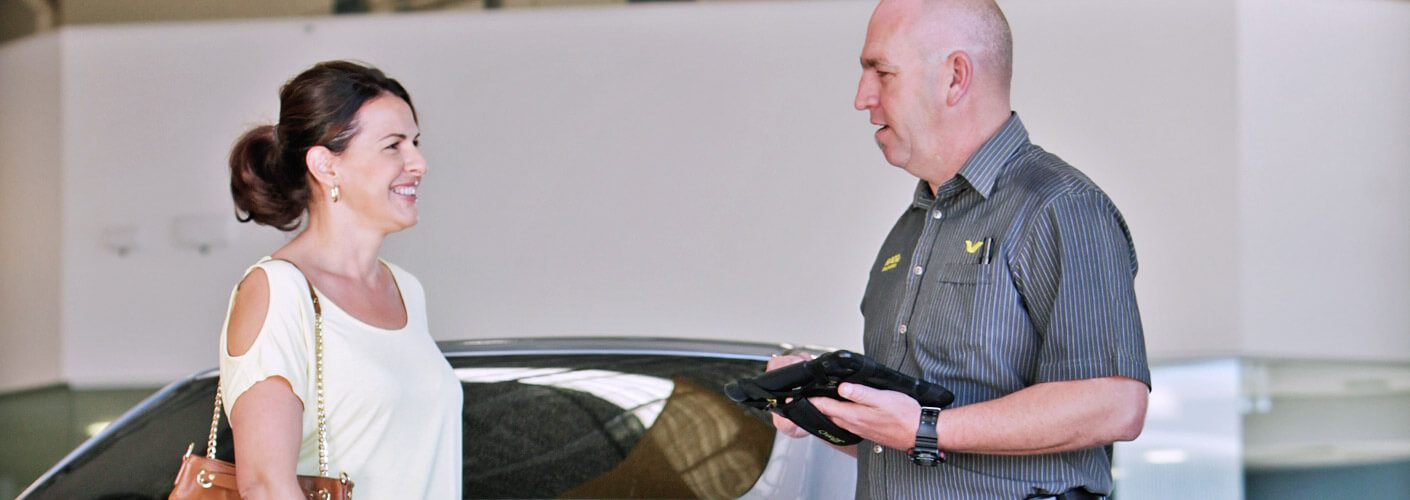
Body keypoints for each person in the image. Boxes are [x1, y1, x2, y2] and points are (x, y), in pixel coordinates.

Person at [767, 0, 1150, 498]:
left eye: (881, 72)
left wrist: (926, 428)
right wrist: (823, 405)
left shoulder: (1062, 207)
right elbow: (900, 443)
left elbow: (1116, 405)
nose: (863, 98)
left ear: (955, 77)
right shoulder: (910, 229)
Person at [221, 60, 461, 499]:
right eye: (393, 146)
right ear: (326, 166)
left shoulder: (406, 290)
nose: (419, 163)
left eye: (416, 142)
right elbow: (265, 484)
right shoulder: (279, 291)